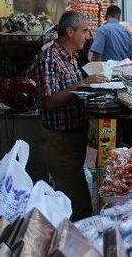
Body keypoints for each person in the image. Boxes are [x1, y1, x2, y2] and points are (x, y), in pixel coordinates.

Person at [33, 12, 106, 220]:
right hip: (59, 142)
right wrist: (83, 84)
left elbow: (73, 94)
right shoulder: (50, 59)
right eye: (84, 31)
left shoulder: (70, 57)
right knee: (78, 203)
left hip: (73, 139)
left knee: (76, 195)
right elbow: (48, 101)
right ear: (70, 32)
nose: (88, 36)